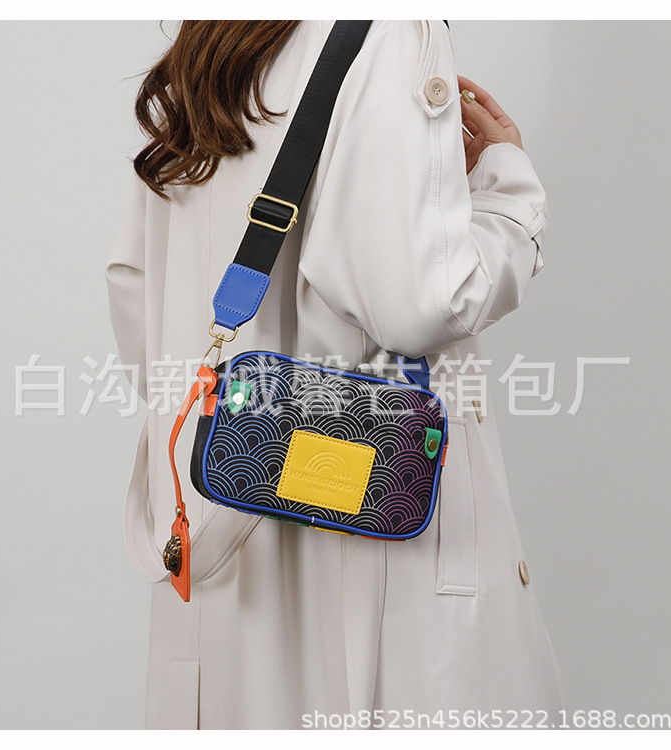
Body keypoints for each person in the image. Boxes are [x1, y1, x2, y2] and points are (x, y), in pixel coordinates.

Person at [107, 20, 566, 730]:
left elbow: (140, 303)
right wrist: (507, 194)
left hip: (216, 538)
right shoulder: (389, 30)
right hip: (369, 559)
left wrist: (256, 424)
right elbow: (424, 304)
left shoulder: (211, 41)